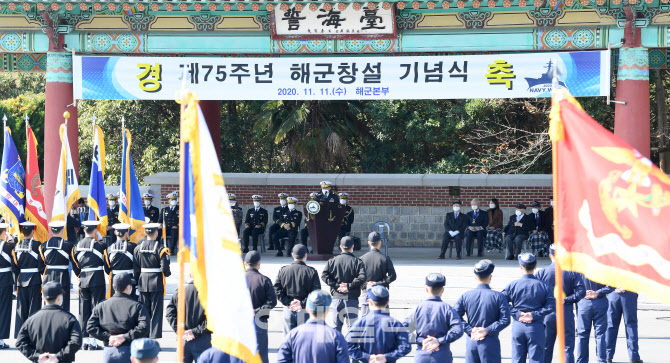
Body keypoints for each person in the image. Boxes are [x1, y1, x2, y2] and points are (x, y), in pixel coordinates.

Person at [535, 244, 585, 363]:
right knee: (567, 348)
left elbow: (535, 293)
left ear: (549, 255)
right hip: (565, 311)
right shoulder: (572, 272)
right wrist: (566, 300)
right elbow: (581, 292)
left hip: (547, 313)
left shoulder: (541, 273)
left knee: (546, 347)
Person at [454, 260, 511, 363]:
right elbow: (505, 320)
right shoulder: (499, 296)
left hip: (472, 340)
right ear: (490, 277)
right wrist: (487, 330)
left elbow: (454, 316)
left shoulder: (466, 296)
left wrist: (470, 330)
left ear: (475, 277)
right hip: (490, 341)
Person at [501, 253, 554, 363]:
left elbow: (501, 302)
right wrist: (533, 315)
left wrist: (517, 313)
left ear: (521, 267)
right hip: (536, 326)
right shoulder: (544, 285)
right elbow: (551, 306)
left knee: (517, 359)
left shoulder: (513, 285)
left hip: (518, 326)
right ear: (535, 266)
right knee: (536, 359)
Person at [87, 272, 149, 363]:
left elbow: (90, 327)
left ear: (113, 286)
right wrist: (125, 336)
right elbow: (144, 327)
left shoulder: (101, 306)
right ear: (128, 287)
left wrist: (109, 337)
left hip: (109, 351)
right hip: (130, 350)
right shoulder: (136, 306)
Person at [403, 273, 464, 363]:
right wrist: (439, 341)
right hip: (442, 355)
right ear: (442, 290)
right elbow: (458, 330)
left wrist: (421, 340)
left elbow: (403, 330)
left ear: (426, 289)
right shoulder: (447, 309)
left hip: (422, 354)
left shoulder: (418, 309)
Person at [16, 281, 82, 363]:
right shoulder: (69, 319)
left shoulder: (31, 319)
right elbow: (76, 342)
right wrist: (58, 356)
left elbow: (20, 342)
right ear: (60, 298)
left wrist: (36, 356)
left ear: (43, 297)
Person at [276, 290, 350, 363]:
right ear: (327, 310)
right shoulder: (336, 336)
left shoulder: (293, 335)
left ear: (307, 309)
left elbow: (282, 360)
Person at [346, 286, 411, 362]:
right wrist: (387, 357)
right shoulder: (395, 324)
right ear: (387, 302)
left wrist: (367, 357)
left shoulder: (360, 323)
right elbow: (405, 346)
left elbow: (347, 345)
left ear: (370, 302)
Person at [71, 220, 107, 351]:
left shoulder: (77, 245)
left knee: (83, 310)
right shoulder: (99, 245)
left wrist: (79, 275)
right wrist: (101, 239)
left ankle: (84, 341)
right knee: (96, 308)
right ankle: (94, 340)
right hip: (97, 278)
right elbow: (106, 258)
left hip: (83, 279)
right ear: (95, 230)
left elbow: (74, 263)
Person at [321, 236, 367, 332]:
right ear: (353, 246)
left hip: (337, 297)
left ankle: (337, 347)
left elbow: (324, 276)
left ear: (341, 247)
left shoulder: (332, 261)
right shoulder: (357, 262)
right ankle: (351, 347)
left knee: (336, 328)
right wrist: (349, 286)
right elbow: (362, 277)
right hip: (352, 298)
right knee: (352, 329)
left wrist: (336, 286)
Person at [274, 244, 322, 336]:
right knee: (305, 342)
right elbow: (316, 293)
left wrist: (288, 302)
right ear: (305, 255)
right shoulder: (311, 271)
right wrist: (302, 303)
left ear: (292, 255)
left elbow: (276, 290)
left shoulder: (283, 270)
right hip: (305, 310)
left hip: (289, 309)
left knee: (289, 341)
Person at [134, 223, 171, 339]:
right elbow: (164, 268)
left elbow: (136, 269)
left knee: (144, 311)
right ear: (156, 233)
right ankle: (153, 338)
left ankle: (144, 336)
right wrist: (167, 273)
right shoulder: (161, 248)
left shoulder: (137, 248)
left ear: (145, 233)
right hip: (156, 282)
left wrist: (136, 282)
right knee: (156, 312)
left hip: (143, 281)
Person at [166, 276, 212, 363]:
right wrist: (195, 331)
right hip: (203, 339)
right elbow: (212, 318)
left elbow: (169, 314)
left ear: (191, 276)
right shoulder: (209, 295)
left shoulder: (179, 292)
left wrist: (181, 330)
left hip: (183, 338)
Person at [12, 221, 45, 337]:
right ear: (32, 232)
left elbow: (14, 267)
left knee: (21, 309)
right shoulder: (38, 245)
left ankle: (21, 335)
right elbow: (41, 266)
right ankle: (34, 335)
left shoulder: (16, 246)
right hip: (35, 279)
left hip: (21, 281)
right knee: (34, 309)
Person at [244, 251, 277, 363]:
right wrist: (257, 311)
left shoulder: (238, 281)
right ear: (259, 263)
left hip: (241, 321)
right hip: (260, 320)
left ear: (245, 263)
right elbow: (272, 301)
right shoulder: (264, 280)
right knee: (261, 354)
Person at [359, 231, 397, 317]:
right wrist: (378, 283)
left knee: (366, 323)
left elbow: (357, 277)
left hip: (367, 293)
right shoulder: (385, 258)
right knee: (384, 322)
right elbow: (392, 276)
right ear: (380, 242)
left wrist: (366, 284)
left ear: (368, 243)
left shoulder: (361, 259)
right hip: (381, 293)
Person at [576, 277, 614, 363]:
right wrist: (598, 292)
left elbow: (570, 284)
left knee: (582, 335)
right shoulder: (602, 266)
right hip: (600, 301)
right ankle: (601, 360)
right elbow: (612, 285)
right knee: (600, 335)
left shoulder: (579, 267)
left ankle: (581, 361)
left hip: (584, 302)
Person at [40, 221, 75, 312]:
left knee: (48, 304)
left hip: (48, 276)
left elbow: (40, 266)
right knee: (63, 304)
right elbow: (74, 262)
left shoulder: (43, 246)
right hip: (63, 276)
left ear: (51, 230)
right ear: (63, 230)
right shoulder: (69, 245)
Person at [606, 289, 642, 363]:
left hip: (613, 293)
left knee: (611, 325)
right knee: (631, 325)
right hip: (629, 293)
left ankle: (607, 355)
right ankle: (634, 356)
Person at [105, 223, 139, 299]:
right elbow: (136, 266)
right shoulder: (132, 247)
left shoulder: (109, 248)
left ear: (115, 233)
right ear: (127, 233)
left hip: (115, 278)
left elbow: (107, 267)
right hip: (129, 277)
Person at [0, 223, 12, 349]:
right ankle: (0, 340)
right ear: (3, 233)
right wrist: (10, 238)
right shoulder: (8, 246)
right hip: (4, 280)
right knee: (3, 309)